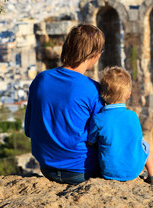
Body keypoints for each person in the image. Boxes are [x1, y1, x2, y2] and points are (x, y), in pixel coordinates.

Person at [24, 24, 105, 185]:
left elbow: (29, 130)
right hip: (82, 170)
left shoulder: (40, 80)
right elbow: (104, 136)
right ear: (94, 55)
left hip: (46, 168)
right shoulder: (93, 89)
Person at [87, 66, 153, 185]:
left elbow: (91, 141)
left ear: (101, 93)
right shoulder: (133, 116)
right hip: (134, 170)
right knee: (144, 141)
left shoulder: (98, 119)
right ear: (128, 95)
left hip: (108, 172)